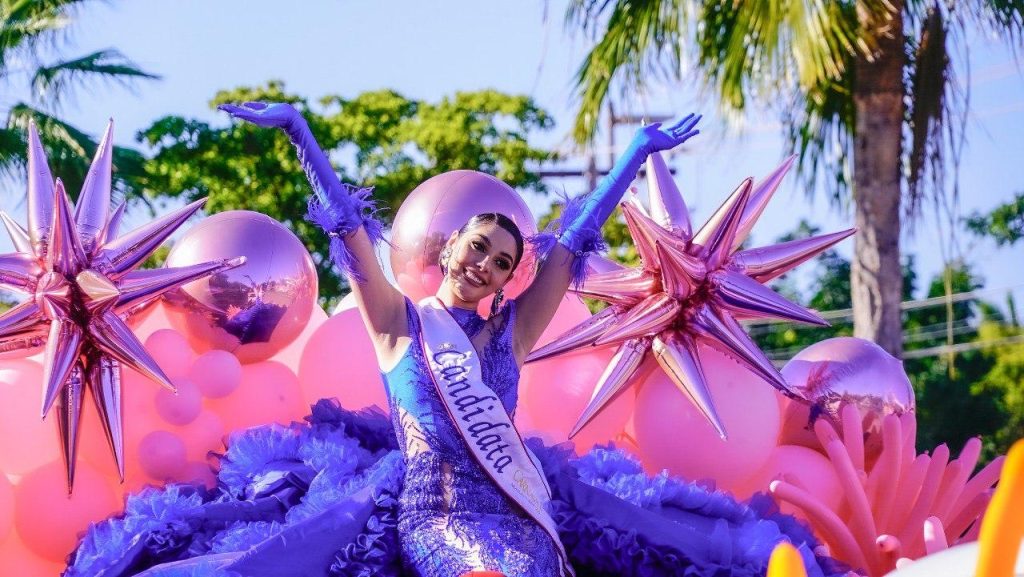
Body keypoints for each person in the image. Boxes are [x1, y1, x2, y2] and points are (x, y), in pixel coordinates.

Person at [66, 104, 844, 577]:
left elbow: (573, 240)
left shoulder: (512, 329)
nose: (487, 265)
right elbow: (347, 231)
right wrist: (302, 134)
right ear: (450, 248)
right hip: (437, 517)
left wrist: (637, 155)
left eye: (504, 261)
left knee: (662, 540)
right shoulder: (399, 322)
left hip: (520, 513)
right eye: (479, 248)